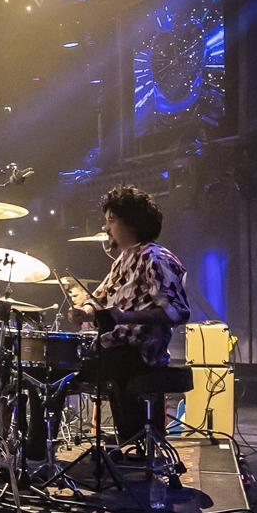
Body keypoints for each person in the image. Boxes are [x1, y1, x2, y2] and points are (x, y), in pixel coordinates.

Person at [67, 185, 190, 444]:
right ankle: (129, 443)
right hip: (118, 350)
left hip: (139, 354)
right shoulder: (122, 261)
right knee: (67, 364)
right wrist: (83, 311)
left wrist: (125, 317)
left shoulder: (154, 258)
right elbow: (97, 301)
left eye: (111, 220)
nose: (106, 227)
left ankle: (38, 451)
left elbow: (177, 311)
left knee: (66, 373)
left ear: (131, 223)